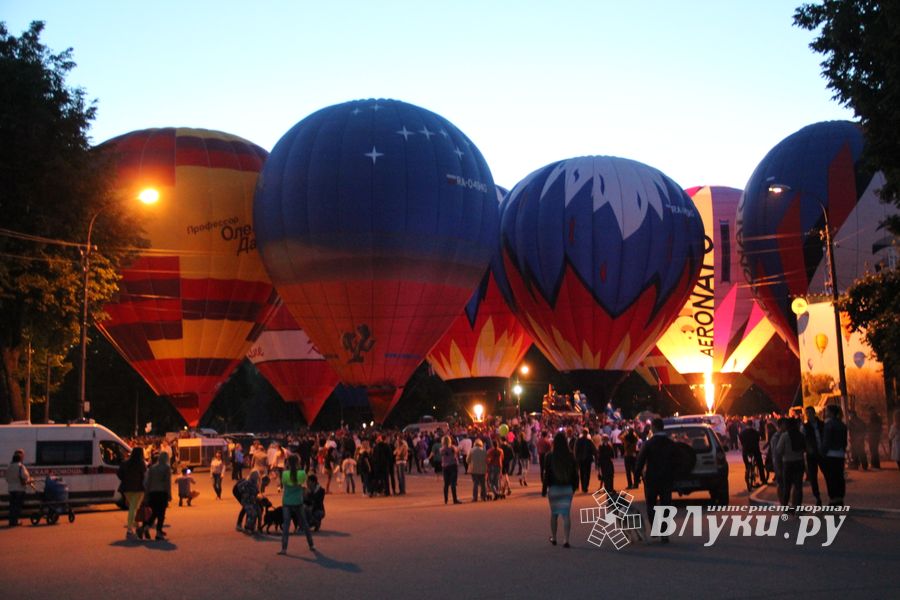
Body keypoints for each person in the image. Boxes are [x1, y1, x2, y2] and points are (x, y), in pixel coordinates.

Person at [635, 418, 675, 543]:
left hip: (652, 478)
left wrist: (636, 476)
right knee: (666, 504)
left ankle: (656, 528)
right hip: (667, 478)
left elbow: (640, 460)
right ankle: (665, 532)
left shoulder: (649, 443)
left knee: (651, 504)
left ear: (654, 428)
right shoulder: (670, 443)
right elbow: (677, 460)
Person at [544, 432, 577, 548]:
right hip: (567, 487)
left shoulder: (549, 456)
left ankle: (554, 538)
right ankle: (566, 539)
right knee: (566, 514)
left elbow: (546, 474)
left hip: (554, 488)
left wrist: (544, 489)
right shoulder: (571, 455)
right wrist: (574, 487)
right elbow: (575, 473)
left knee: (554, 514)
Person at [278, 454, 315, 555]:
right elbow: (304, 484)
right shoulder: (302, 474)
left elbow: (284, 485)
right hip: (298, 501)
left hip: (287, 501)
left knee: (286, 526)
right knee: (305, 524)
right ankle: (311, 544)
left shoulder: (284, 474)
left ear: (288, 463)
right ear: (298, 462)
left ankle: (284, 548)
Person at [139, 452, 172, 541]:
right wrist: (169, 494)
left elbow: (148, 482)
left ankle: (145, 527)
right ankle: (158, 532)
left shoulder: (152, 468)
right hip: (162, 493)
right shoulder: (166, 468)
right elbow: (167, 483)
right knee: (161, 514)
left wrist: (146, 495)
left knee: (154, 512)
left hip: (152, 493)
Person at [820, 404, 848, 506]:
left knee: (831, 478)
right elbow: (844, 441)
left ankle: (833, 500)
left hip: (830, 454)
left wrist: (822, 452)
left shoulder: (829, 425)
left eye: (826, 411)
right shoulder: (842, 424)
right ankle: (840, 499)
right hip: (840, 454)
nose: (825, 413)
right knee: (839, 477)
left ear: (830, 412)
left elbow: (826, 441)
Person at [776, 417, 806, 508]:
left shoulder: (785, 436)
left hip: (787, 463)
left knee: (787, 487)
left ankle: (785, 507)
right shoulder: (801, 435)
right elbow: (805, 448)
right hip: (799, 462)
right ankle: (798, 506)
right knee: (798, 487)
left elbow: (779, 450)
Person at [117, 447, 146, 539]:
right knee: (133, 508)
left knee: (133, 507)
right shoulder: (141, 463)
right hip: (138, 488)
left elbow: (119, 474)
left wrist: (125, 480)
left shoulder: (125, 463)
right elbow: (144, 474)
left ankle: (136, 525)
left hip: (126, 489)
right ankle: (129, 530)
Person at [803, 406, 824, 506]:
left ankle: (833, 497)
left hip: (822, 453)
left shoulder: (821, 424)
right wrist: (807, 448)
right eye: (807, 413)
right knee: (813, 477)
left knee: (828, 474)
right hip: (811, 455)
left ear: (814, 413)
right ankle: (817, 497)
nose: (808, 415)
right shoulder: (805, 427)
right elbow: (803, 440)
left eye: (810, 413)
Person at [6, 449, 33, 528]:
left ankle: (11, 521)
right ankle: (15, 521)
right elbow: (26, 477)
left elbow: (7, 478)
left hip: (11, 489)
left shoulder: (9, 467)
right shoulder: (21, 466)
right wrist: (30, 480)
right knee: (17, 506)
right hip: (20, 489)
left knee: (12, 506)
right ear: (20, 459)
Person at [739, 420, 765, 487]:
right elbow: (757, 440)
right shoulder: (756, 432)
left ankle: (747, 469)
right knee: (760, 464)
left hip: (746, 450)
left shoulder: (742, 433)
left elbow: (741, 440)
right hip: (755, 449)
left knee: (746, 463)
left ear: (746, 425)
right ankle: (763, 479)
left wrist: (744, 445)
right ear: (752, 424)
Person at [440, 435, 461, 504]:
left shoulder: (442, 449)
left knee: (446, 484)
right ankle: (455, 499)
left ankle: (446, 499)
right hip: (453, 465)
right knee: (453, 483)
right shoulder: (452, 448)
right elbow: (457, 450)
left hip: (445, 467)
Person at [574, 429, 596, 493]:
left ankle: (584, 486)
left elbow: (575, 450)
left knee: (582, 473)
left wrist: (576, 458)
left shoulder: (579, 441)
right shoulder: (589, 441)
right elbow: (593, 450)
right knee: (587, 473)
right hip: (587, 459)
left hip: (581, 459)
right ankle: (585, 487)